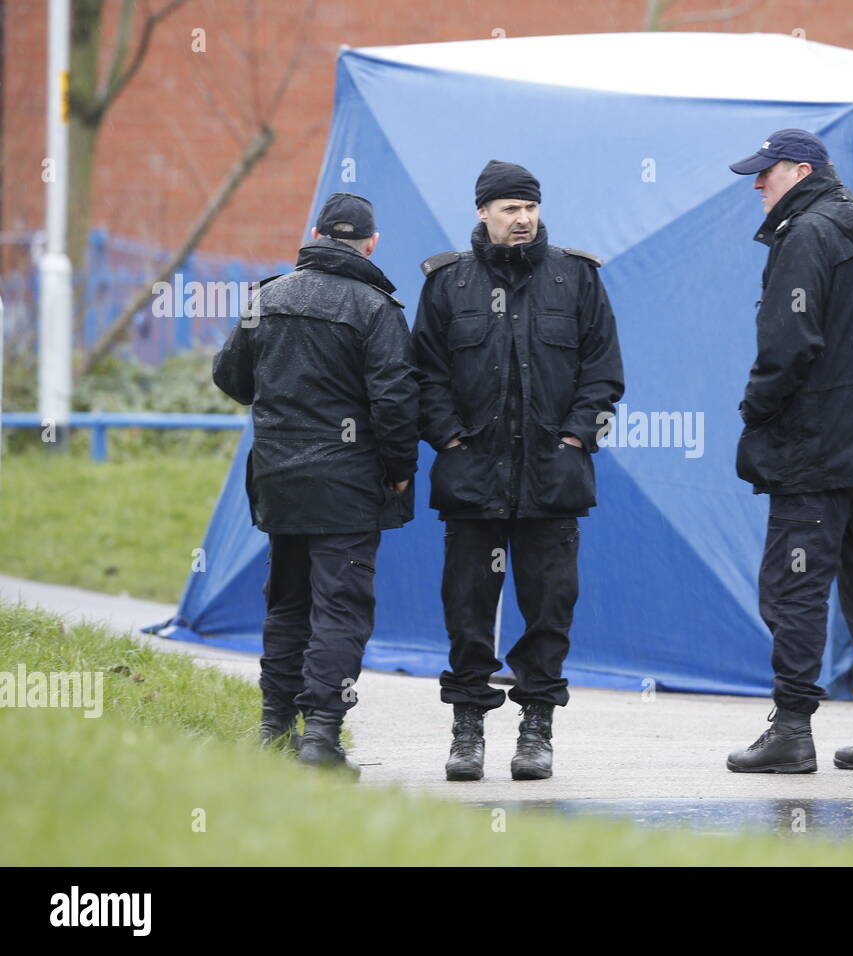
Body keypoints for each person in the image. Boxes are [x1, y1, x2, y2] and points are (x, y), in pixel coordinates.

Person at [412, 160, 624, 782]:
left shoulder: (576, 279)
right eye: (508, 209)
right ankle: (468, 729)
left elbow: (603, 374)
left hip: (553, 480)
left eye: (528, 207)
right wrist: (448, 437)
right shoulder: (447, 282)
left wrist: (573, 438)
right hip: (472, 478)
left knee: (550, 608)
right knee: (467, 609)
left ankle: (536, 729)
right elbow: (423, 374)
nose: (522, 218)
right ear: (483, 213)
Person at [723, 129, 853, 774]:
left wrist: (756, 412)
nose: (757, 185)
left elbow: (788, 342)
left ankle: (790, 729)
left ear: (800, 170)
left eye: (766, 173)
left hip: (820, 442)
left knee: (796, 585)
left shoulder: (806, 233)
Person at [213, 192, 419, 775]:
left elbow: (231, 378)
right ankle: (321, 738)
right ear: (371, 243)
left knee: (287, 604)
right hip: (348, 487)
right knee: (341, 609)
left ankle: (274, 728)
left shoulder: (266, 297)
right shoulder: (378, 309)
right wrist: (400, 471)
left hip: (280, 482)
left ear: (314, 233)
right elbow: (396, 402)